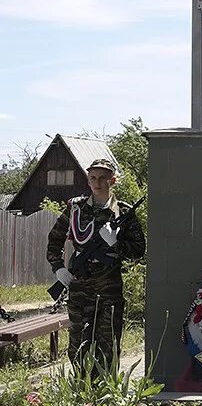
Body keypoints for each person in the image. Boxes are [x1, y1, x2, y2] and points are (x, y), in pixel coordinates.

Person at [46, 158, 146, 372]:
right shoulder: (75, 208)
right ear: (88, 180)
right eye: (93, 178)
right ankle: (81, 390)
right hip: (80, 288)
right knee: (78, 343)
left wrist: (116, 244)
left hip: (109, 288)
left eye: (103, 178)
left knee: (108, 343)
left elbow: (138, 250)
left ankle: (106, 391)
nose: (98, 183)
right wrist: (59, 268)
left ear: (113, 180)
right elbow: (54, 239)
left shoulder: (123, 212)